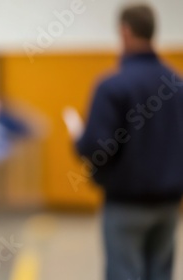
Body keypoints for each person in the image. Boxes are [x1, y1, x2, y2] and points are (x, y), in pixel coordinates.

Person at [74, 4, 183, 280]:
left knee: (125, 273)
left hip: (126, 204)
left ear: (125, 32)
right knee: (160, 273)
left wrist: (80, 141)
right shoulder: (176, 84)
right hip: (169, 203)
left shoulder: (112, 86)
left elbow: (98, 147)